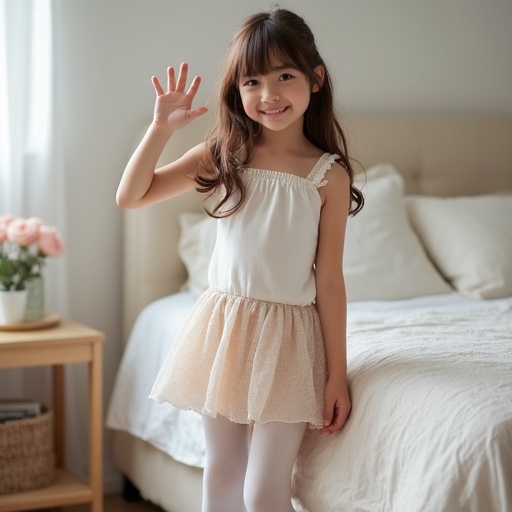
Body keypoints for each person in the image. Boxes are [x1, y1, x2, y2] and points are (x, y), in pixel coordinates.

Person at [117, 7, 364, 512]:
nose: (269, 95)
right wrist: (161, 127)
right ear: (238, 91)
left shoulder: (327, 176)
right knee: (223, 476)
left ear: (315, 79)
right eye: (253, 81)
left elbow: (331, 282)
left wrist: (336, 374)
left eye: (285, 76)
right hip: (225, 329)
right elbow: (132, 195)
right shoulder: (224, 153)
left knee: (263, 490)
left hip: (291, 341)